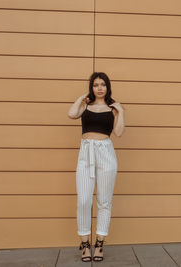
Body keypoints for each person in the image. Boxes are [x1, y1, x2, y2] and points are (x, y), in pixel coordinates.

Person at [67, 72, 125, 262]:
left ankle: (99, 243)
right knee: (83, 200)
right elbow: (71, 114)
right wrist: (80, 99)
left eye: (103, 85)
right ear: (91, 87)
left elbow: (118, 132)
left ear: (108, 87)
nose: (99, 88)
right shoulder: (85, 106)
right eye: (95, 85)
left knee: (104, 201)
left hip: (106, 154)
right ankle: (84, 244)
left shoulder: (113, 108)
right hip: (86, 153)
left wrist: (121, 112)